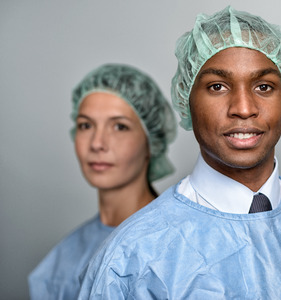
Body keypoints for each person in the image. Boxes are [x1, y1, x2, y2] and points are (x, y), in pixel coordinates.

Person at [78, 7, 281, 299]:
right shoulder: (132, 256)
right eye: (217, 86)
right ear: (186, 99)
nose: (243, 108)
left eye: (264, 86)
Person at [28, 64, 177, 299]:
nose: (97, 143)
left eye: (120, 127)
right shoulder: (63, 259)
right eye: (86, 125)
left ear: (151, 142)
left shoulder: (178, 244)